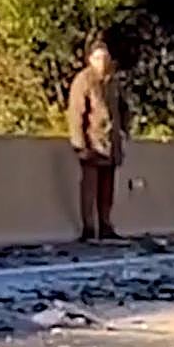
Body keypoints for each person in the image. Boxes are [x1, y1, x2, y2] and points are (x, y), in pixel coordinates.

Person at [67, 40, 130, 241]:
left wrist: (124, 132)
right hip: (91, 142)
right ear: (90, 59)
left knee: (107, 189)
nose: (102, 62)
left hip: (111, 143)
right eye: (97, 58)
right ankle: (88, 228)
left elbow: (124, 109)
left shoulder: (114, 82)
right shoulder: (83, 81)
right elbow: (76, 114)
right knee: (89, 189)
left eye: (105, 58)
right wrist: (79, 144)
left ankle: (105, 225)